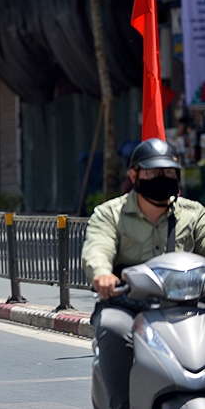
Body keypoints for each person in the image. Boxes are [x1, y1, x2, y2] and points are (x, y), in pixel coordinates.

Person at [81, 138, 205, 409]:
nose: (161, 178)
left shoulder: (193, 214)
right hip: (128, 305)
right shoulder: (110, 213)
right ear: (134, 175)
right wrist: (102, 274)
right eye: (152, 172)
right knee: (113, 328)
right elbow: (97, 248)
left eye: (168, 172)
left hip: (186, 306)